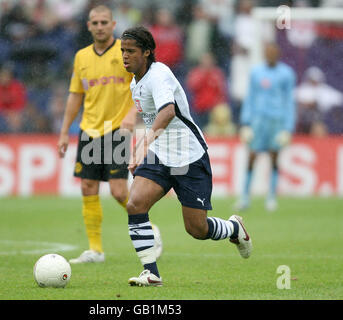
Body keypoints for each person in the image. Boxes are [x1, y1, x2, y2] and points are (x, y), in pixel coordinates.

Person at [120, 26, 252, 287]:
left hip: (189, 157)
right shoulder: (136, 80)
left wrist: (142, 144)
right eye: (123, 51)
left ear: (147, 52)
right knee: (135, 204)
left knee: (197, 229)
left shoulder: (159, 75)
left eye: (131, 51)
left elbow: (168, 112)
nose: (125, 56)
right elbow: (151, 115)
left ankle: (234, 228)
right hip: (161, 155)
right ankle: (151, 272)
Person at [57, 6, 162, 264]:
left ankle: (148, 227)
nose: (100, 26)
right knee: (87, 187)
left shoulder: (125, 53)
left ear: (113, 24)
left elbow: (141, 84)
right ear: (88, 26)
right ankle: (95, 250)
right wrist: (63, 131)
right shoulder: (81, 57)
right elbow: (75, 95)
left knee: (117, 191)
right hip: (89, 129)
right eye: (96, 22)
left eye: (105, 22)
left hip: (117, 129)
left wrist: (132, 113)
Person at [237, 43, 296, 212]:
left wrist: (288, 127)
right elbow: (250, 97)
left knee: (274, 156)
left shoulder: (286, 74)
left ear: (278, 54)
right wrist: (246, 122)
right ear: (265, 53)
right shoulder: (256, 72)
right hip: (258, 120)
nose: (270, 55)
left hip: (277, 120)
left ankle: (271, 197)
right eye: (268, 52)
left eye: (273, 52)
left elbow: (289, 101)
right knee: (252, 156)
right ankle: (245, 197)